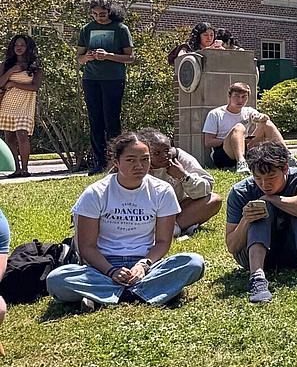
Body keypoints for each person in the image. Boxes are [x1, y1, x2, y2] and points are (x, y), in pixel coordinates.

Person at [45, 133, 206, 311]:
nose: (139, 166)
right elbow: (87, 247)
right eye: (131, 160)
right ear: (116, 162)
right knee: (57, 279)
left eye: (145, 159)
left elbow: (162, 242)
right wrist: (111, 271)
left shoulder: (162, 191)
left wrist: (143, 265)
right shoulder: (96, 193)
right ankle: (144, 293)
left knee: (194, 263)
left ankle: (107, 296)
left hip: (146, 264)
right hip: (102, 266)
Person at [225, 141, 297, 302]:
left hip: (294, 252)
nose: (265, 184)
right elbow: (232, 246)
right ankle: (256, 278)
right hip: (251, 256)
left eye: (271, 177)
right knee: (261, 210)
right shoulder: (240, 191)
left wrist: (271, 199)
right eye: (258, 178)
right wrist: (246, 220)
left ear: (285, 168)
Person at [76, 0, 134, 175]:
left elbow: (130, 57)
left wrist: (108, 55)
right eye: (94, 14)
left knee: (111, 121)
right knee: (95, 120)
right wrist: (89, 57)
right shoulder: (86, 29)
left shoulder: (121, 29)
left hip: (113, 79)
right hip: (91, 79)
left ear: (109, 11)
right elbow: (79, 57)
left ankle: (115, 162)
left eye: (102, 14)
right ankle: (99, 162)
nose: (98, 17)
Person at [137, 128, 221, 236]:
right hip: (144, 214)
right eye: (157, 153)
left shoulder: (178, 157)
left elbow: (207, 187)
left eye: (166, 150)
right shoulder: (136, 164)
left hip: (177, 209)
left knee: (214, 200)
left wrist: (183, 176)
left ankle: (171, 229)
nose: (164, 156)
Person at [202, 82, 286, 171]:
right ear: (229, 96)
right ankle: (241, 163)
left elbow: (257, 116)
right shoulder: (215, 114)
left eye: (244, 97)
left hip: (245, 149)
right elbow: (208, 142)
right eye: (236, 96)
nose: (240, 100)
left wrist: (263, 117)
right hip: (223, 154)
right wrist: (233, 140)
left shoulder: (248, 111)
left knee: (267, 123)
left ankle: (287, 156)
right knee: (239, 127)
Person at [0, 34, 43, 178]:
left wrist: (14, 84)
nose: (19, 47)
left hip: (25, 104)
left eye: (22, 45)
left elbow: (35, 86)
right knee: (10, 137)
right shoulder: (6, 64)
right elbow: (1, 83)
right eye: (16, 45)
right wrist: (12, 71)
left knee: (22, 134)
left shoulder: (35, 65)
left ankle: (25, 169)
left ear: (28, 47)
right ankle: (16, 169)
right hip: (8, 104)